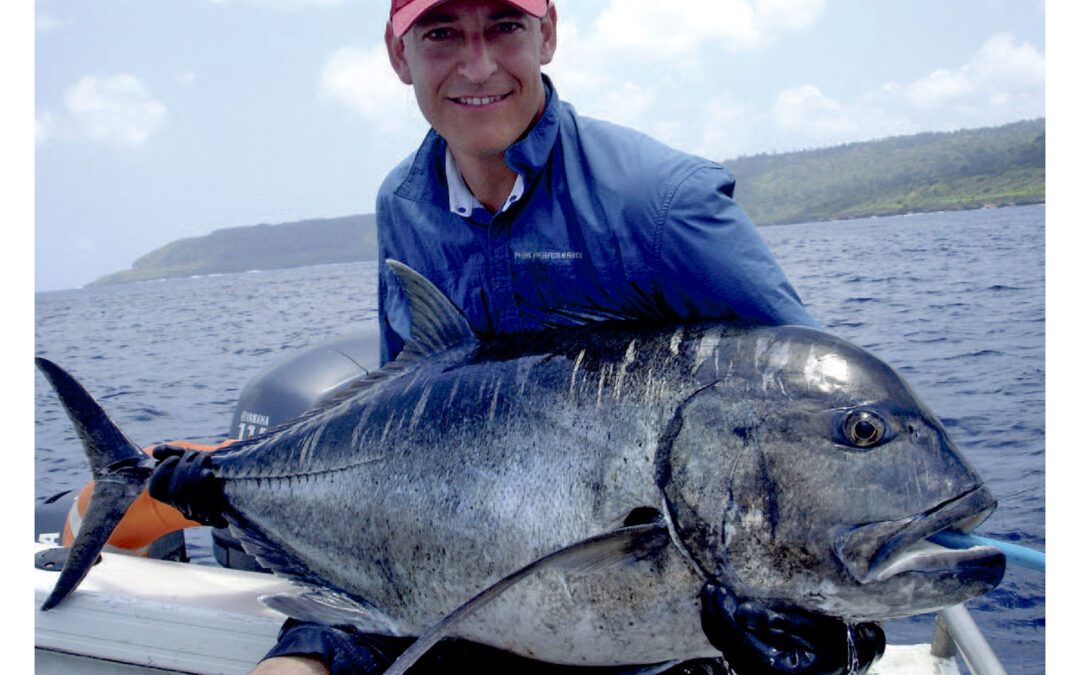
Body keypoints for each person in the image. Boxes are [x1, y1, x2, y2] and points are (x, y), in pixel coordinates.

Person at [252, 1, 883, 673]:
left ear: (547, 34)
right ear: (397, 52)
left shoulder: (659, 203)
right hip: (472, 564)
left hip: (636, 614)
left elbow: (810, 414)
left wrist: (844, 628)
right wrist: (213, 481)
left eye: (504, 26)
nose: (478, 63)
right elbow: (399, 413)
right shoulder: (405, 202)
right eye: (441, 33)